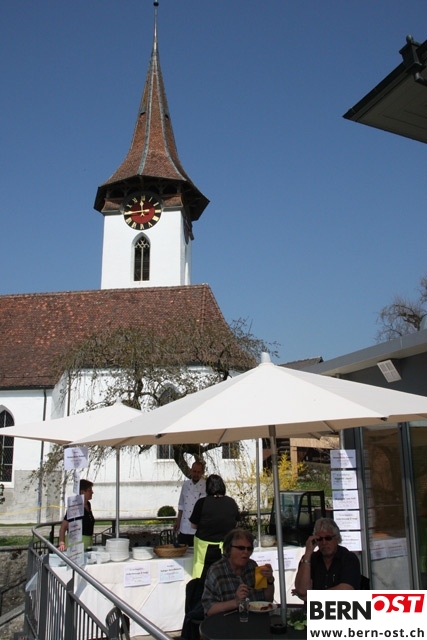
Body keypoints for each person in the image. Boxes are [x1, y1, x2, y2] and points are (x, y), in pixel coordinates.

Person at [201, 528, 275, 616]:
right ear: (229, 549)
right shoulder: (216, 571)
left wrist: (269, 581)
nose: (246, 552)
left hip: (254, 619)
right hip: (227, 621)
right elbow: (209, 610)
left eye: (249, 549)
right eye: (241, 548)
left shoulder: (252, 566)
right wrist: (235, 602)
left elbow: (267, 600)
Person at [293, 517, 360, 600]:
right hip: (315, 607)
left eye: (328, 538)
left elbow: (346, 590)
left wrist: (311, 596)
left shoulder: (348, 558)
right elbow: (302, 591)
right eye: (319, 539)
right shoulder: (310, 559)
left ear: (337, 538)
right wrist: (308, 553)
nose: (324, 542)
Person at [190, 474, 239, 577]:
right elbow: (236, 523)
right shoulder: (231, 502)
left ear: (207, 487)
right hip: (225, 546)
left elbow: (193, 525)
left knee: (201, 569)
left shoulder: (201, 503)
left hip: (204, 547)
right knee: (225, 573)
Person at [174, 460, 206, 546]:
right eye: (194, 471)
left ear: (202, 472)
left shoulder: (205, 485)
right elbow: (181, 505)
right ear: (191, 471)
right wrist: (178, 521)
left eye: (198, 472)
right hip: (184, 527)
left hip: (198, 528)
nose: (196, 474)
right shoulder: (185, 485)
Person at [58, 479, 95, 552]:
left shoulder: (88, 504)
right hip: (76, 543)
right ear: (82, 492)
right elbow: (63, 527)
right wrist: (62, 543)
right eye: (89, 490)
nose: (92, 492)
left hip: (88, 541)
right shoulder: (75, 505)